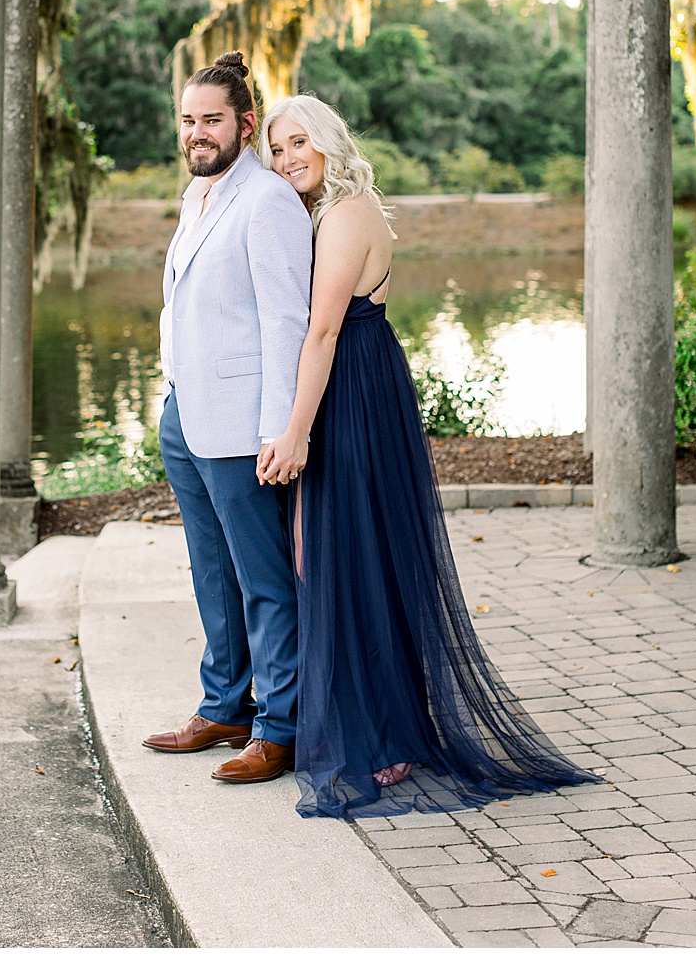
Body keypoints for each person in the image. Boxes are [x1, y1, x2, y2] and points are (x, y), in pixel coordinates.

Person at [256, 94, 598, 818]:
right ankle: (384, 729)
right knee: (354, 558)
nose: (287, 158)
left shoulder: (348, 215)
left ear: (326, 142)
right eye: (277, 148)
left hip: (352, 388)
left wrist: (296, 433)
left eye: (297, 143)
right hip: (357, 379)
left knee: (359, 560)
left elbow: (321, 334)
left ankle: (387, 739)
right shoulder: (331, 210)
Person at [141, 52, 313, 784]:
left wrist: (280, 428)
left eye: (211, 120)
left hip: (245, 424)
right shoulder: (198, 194)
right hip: (187, 413)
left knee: (262, 576)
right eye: (188, 120)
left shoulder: (267, 199)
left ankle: (279, 726)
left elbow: (286, 321)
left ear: (245, 124)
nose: (197, 133)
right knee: (211, 571)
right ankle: (224, 705)